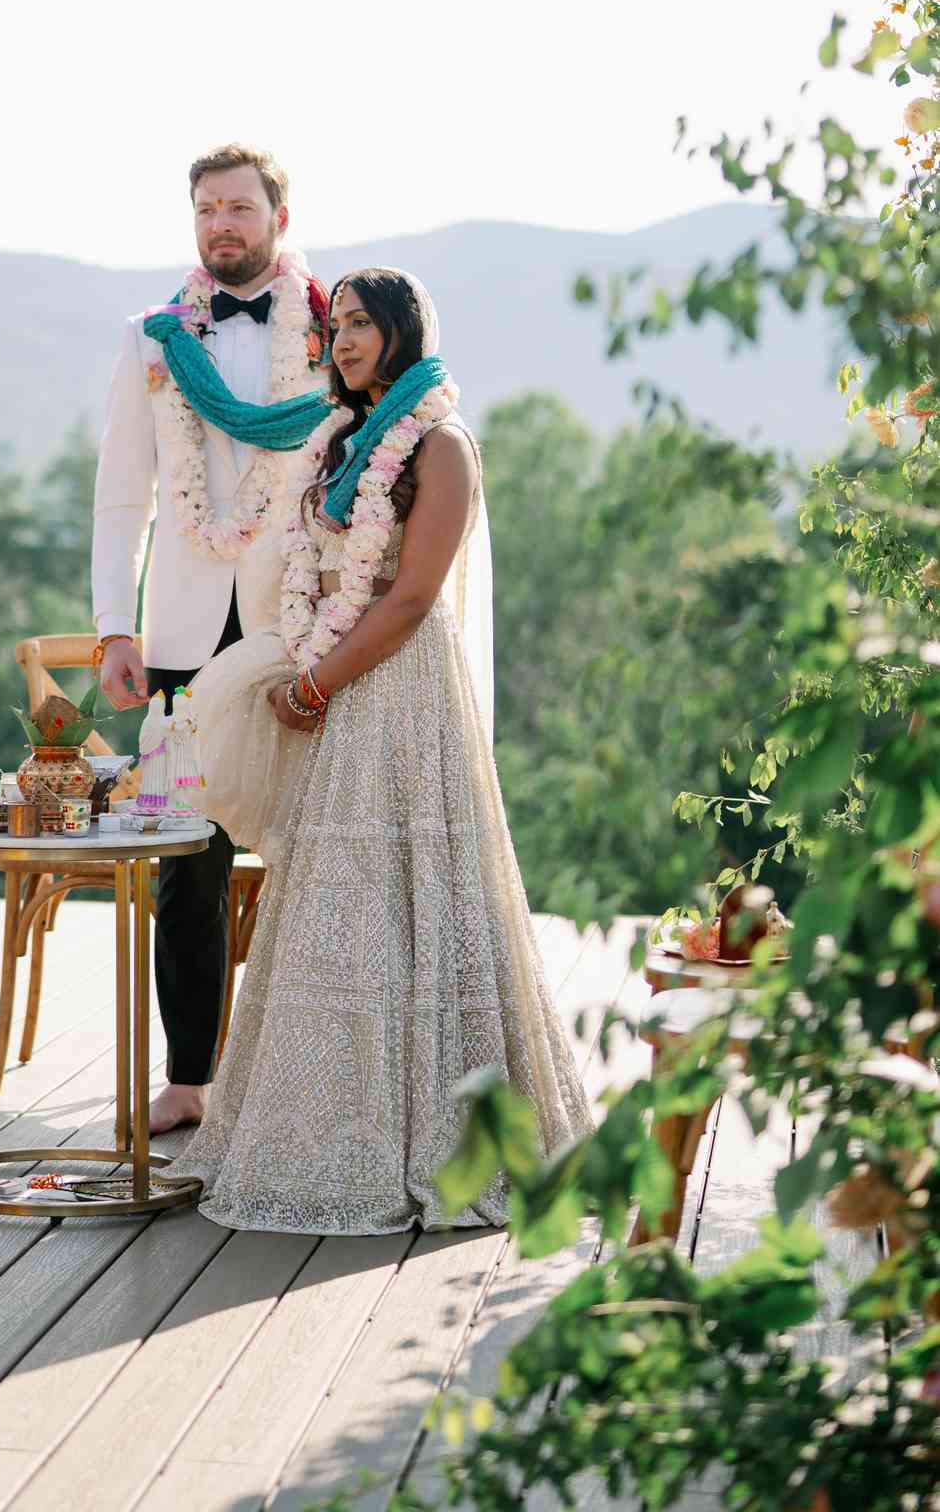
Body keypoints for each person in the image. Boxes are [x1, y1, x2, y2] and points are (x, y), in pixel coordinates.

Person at [175, 269, 593, 1234]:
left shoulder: (439, 445)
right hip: (332, 681)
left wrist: (317, 683)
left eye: (364, 325)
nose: (346, 340)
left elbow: (408, 598)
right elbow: (309, 568)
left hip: (397, 692)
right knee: (335, 906)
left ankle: (440, 1140)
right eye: (338, 326)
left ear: (407, 333)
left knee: (411, 900)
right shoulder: (341, 440)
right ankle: (317, 1128)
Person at [93, 144, 330, 1133]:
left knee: (322, 848)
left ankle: (312, 1081)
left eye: (238, 206)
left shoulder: (329, 325)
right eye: (206, 209)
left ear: (278, 213)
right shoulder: (153, 338)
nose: (221, 223)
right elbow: (122, 491)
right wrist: (117, 623)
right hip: (185, 633)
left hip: (301, 623)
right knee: (185, 854)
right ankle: (190, 1076)